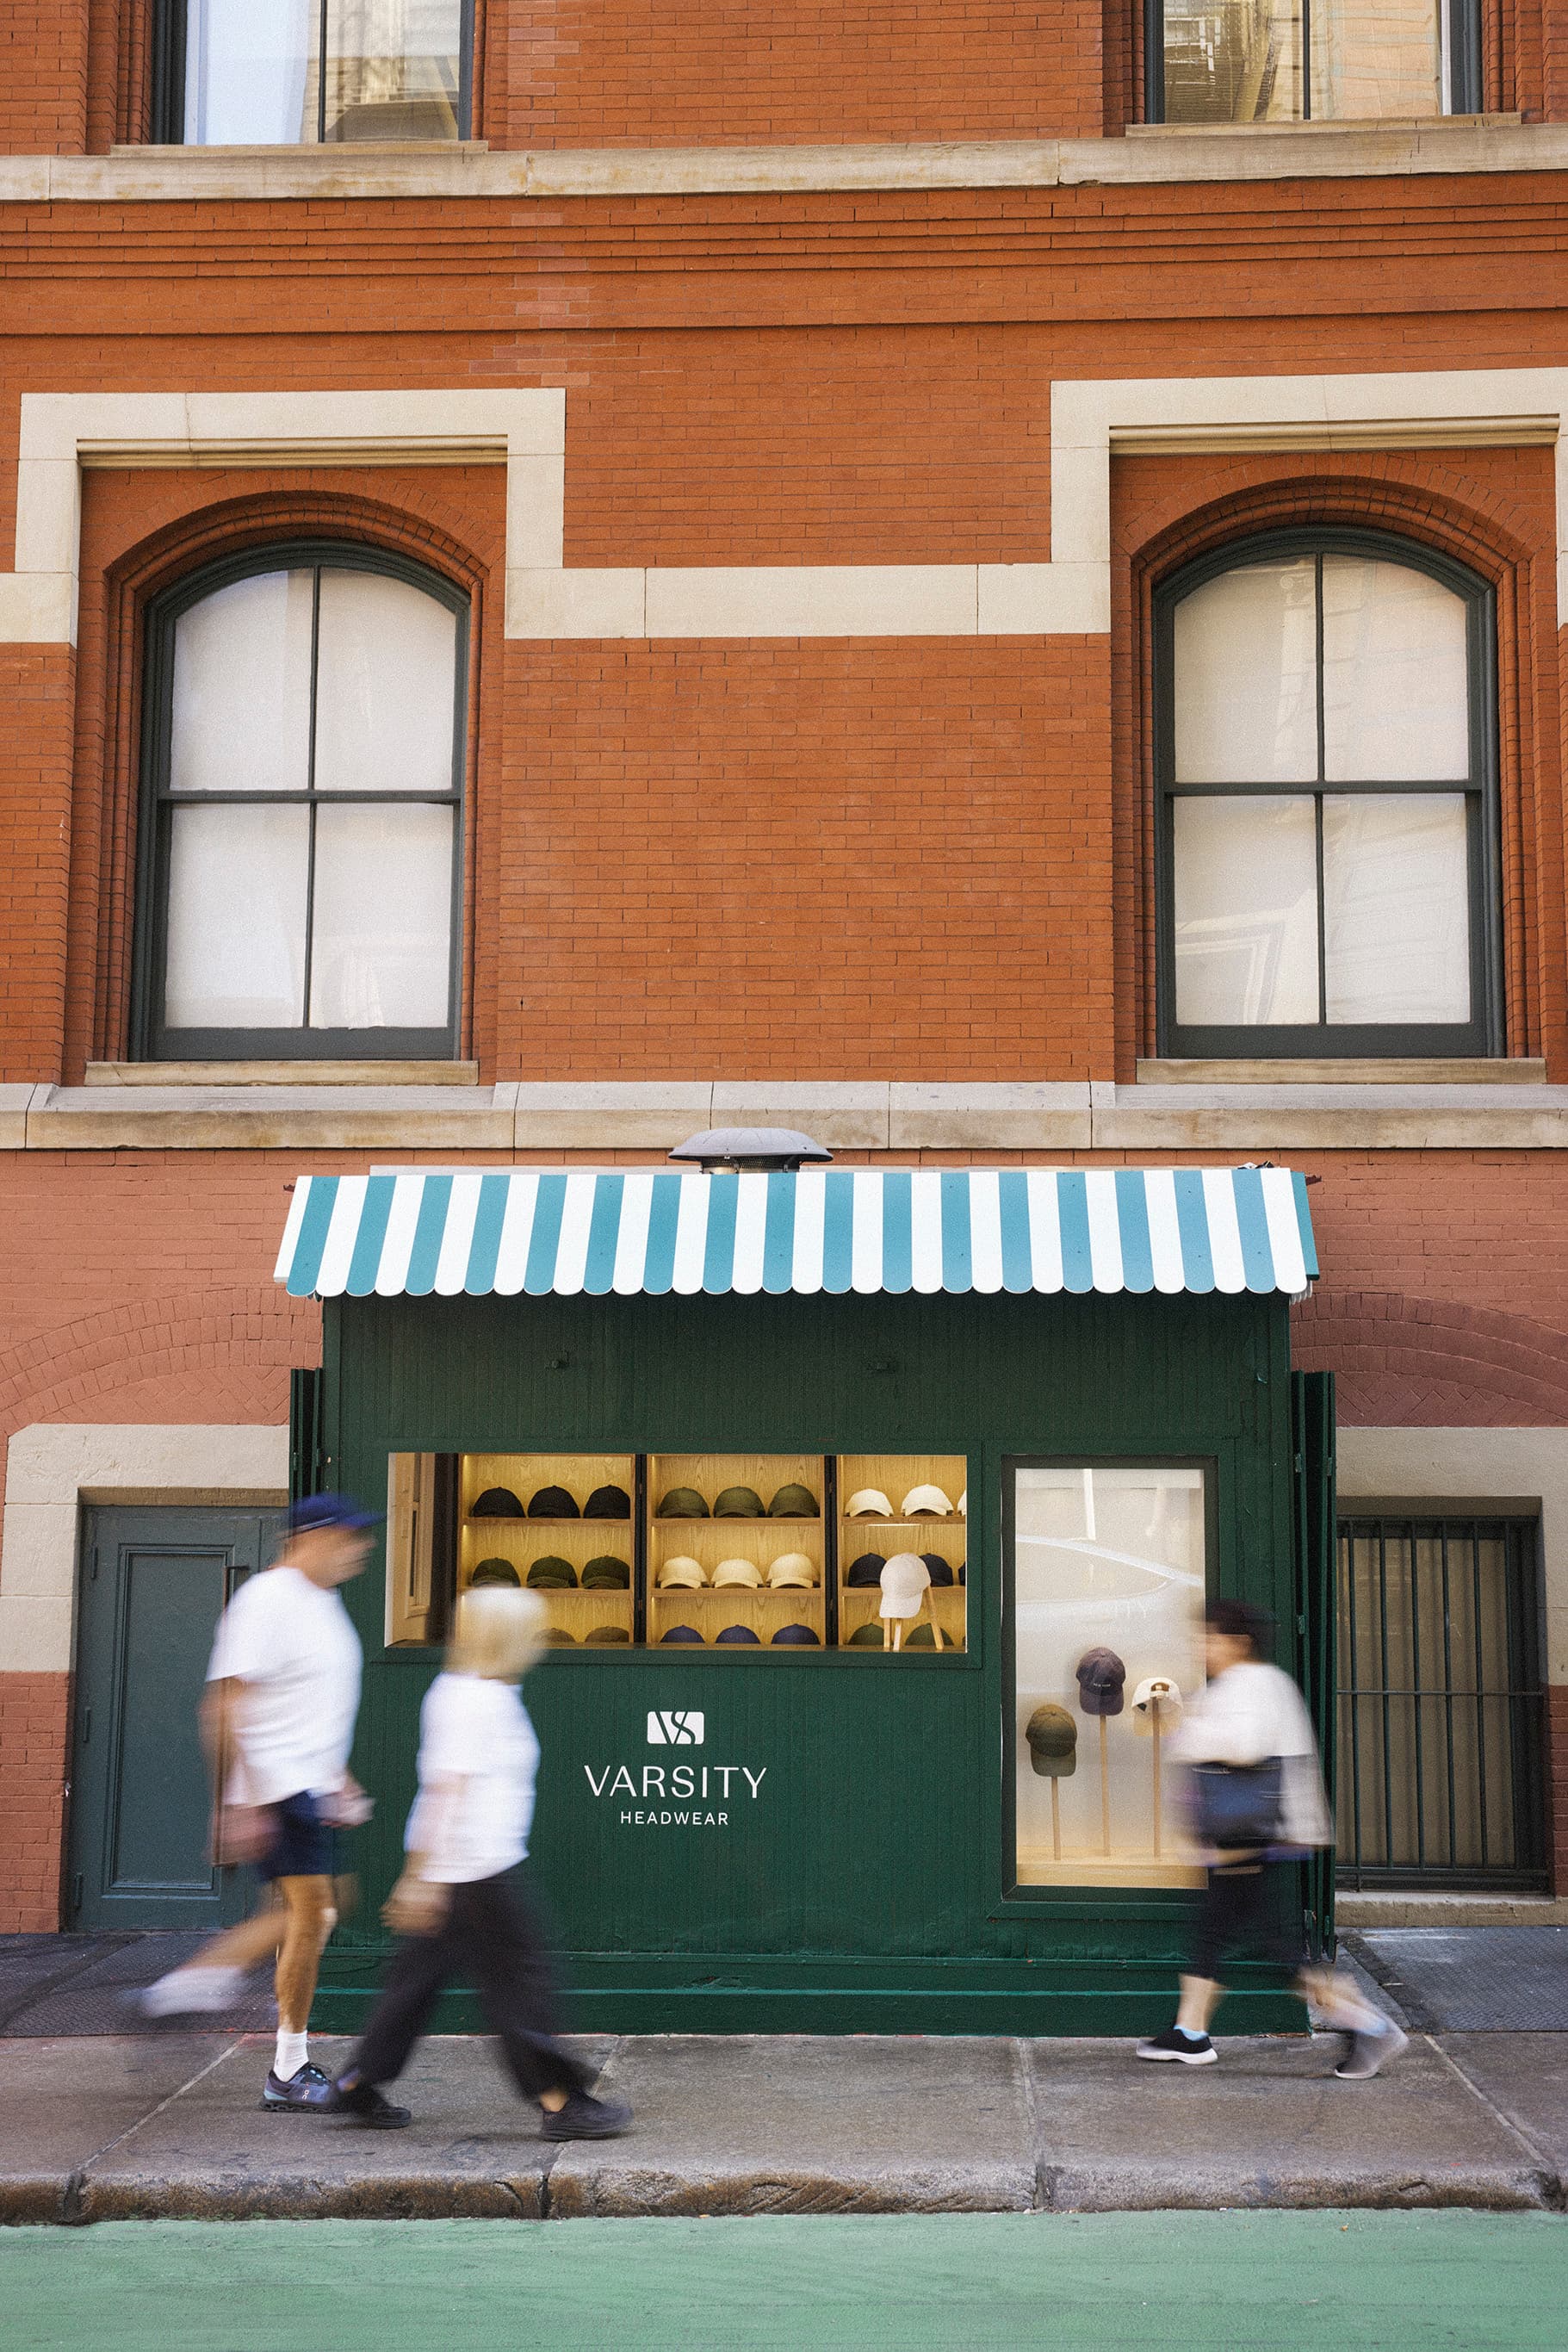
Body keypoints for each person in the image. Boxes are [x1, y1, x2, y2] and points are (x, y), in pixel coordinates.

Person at [328, 1583, 632, 2139]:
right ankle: (560, 2102)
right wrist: (420, 1879)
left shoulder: (474, 1690)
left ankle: (356, 2081)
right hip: (480, 1869)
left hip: (466, 1866)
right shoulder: (475, 1700)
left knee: (415, 1984)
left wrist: (427, 1876)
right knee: (520, 1985)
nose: (539, 1640)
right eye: (531, 1631)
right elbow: (444, 1791)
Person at [136, 1492, 376, 2112]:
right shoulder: (267, 1600)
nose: (363, 1547)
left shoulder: (323, 1602)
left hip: (308, 1785)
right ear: (312, 1537)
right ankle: (266, 2053)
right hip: (274, 1786)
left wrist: (339, 1777)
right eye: (351, 1536)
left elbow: (309, 1707)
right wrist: (234, 1803)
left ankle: (196, 1998)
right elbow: (224, 1705)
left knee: (318, 1911)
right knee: (314, 1910)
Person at [1137, 1597, 1409, 2081]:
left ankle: (1371, 2026)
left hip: (1250, 1835)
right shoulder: (1249, 1683)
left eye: (1210, 1637)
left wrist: (1187, 1731)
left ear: (1239, 1641)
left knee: (1273, 1948)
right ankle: (1190, 2033)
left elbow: (1244, 1748)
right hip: (1244, 1835)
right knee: (1216, 1930)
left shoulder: (1255, 1683)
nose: (1202, 1646)